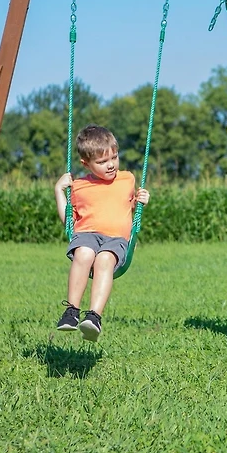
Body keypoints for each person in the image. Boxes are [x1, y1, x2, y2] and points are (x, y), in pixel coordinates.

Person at [54, 124, 150, 342]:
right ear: (86, 164)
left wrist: (142, 201)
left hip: (116, 239)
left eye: (114, 158)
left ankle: (94, 317)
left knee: (105, 259)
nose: (110, 165)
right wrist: (59, 191)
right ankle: (71, 311)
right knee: (85, 254)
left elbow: (131, 208)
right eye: (102, 162)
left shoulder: (127, 179)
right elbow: (68, 220)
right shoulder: (78, 186)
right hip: (86, 234)